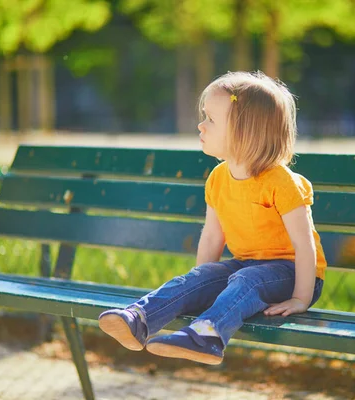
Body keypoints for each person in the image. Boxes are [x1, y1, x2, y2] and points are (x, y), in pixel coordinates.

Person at [98, 71, 326, 365]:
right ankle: (139, 319)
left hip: (292, 273)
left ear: (245, 131)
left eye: (211, 120)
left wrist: (300, 298)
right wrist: (201, 287)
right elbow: (212, 237)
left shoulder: (281, 182)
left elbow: (304, 246)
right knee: (202, 276)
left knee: (247, 278)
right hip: (246, 268)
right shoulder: (218, 178)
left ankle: (206, 337)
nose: (200, 125)